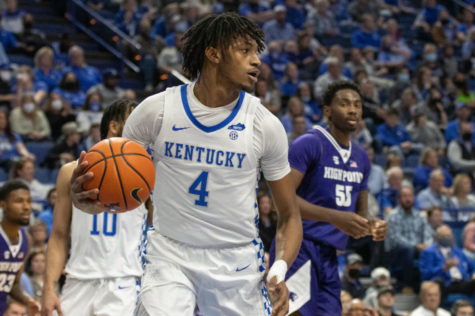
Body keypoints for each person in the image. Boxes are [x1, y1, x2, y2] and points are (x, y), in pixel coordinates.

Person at [71, 13, 302, 316]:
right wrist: (90, 200)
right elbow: (119, 187)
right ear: (213, 53)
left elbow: (289, 216)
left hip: (237, 260)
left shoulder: (265, 125)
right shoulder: (156, 111)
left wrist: (279, 269)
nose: (256, 60)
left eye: (256, 52)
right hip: (170, 253)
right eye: (245, 50)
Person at [269, 81, 387, 315]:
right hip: (298, 246)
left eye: (357, 105)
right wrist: (334, 217)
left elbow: (360, 211)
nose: (352, 110)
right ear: (327, 111)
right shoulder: (310, 143)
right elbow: (280, 200)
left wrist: (372, 223)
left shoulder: (361, 157)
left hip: (330, 254)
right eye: (344, 104)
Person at [41, 99, 152, 316]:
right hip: (77, 279)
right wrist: (48, 287)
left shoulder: (148, 174)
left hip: (124, 281)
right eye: (135, 118)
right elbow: (59, 235)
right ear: (114, 126)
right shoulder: (71, 171)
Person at [0, 180, 40, 315]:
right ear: (3, 205)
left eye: (29, 201)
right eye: (19, 201)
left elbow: (13, 283)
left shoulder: (26, 240)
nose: (27, 206)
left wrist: (27, 300)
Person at [419, 225, 475, 298]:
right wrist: (443, 268)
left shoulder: (458, 252)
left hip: (461, 283)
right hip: (444, 284)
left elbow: (472, 266)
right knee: (438, 282)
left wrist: (474, 273)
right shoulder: (429, 252)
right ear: (437, 237)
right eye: (443, 236)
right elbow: (426, 274)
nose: (447, 238)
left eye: (448, 236)